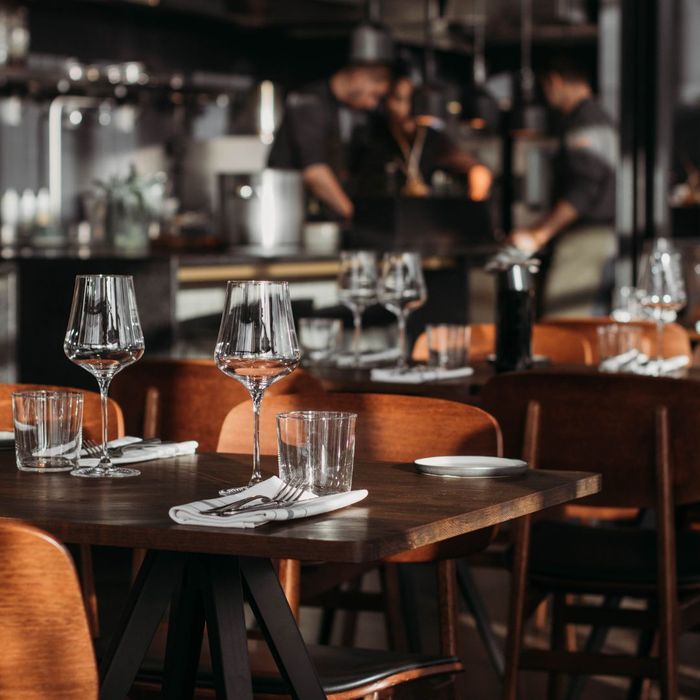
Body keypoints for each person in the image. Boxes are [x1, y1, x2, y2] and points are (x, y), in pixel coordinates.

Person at [506, 54, 617, 317]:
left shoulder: (585, 122)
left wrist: (539, 233)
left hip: (587, 239)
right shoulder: (598, 117)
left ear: (554, 82)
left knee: (563, 323)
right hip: (598, 238)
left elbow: (584, 188)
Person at [267, 62, 391, 221]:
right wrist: (356, 215)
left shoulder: (347, 111)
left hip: (317, 217)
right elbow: (314, 173)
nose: (372, 104)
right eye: (374, 95)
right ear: (358, 76)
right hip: (286, 215)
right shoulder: (309, 101)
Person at [350, 70, 492, 200]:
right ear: (386, 101)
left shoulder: (433, 138)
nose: (407, 108)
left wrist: (474, 201)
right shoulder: (372, 136)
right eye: (399, 99)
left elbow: (478, 170)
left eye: (413, 100)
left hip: (423, 218)